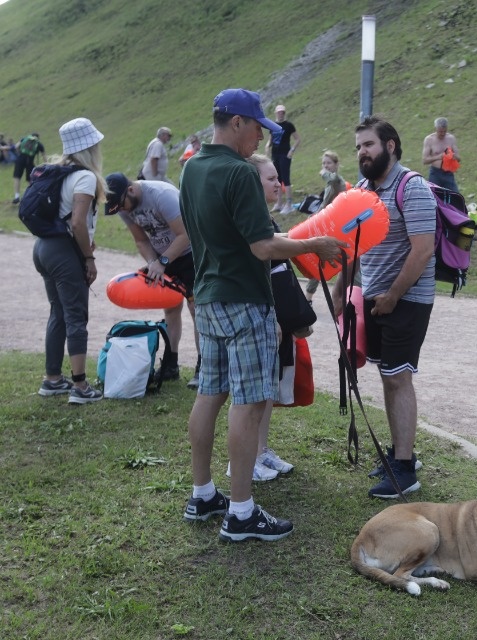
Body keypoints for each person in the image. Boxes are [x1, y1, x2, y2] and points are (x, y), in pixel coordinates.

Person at [179, 88, 346, 542]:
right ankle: (241, 512)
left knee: (209, 393)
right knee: (250, 402)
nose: (262, 138)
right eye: (257, 128)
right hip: (244, 299)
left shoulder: (193, 167)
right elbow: (262, 246)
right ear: (236, 123)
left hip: (208, 296)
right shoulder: (239, 172)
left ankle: (202, 494)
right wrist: (314, 244)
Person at [334, 116, 435, 499]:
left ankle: (404, 469)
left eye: (369, 145)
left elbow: (423, 250)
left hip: (407, 298)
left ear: (390, 146)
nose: (362, 152)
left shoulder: (413, 187)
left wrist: (393, 295)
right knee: (388, 375)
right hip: (375, 297)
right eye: (358, 146)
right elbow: (352, 248)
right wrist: (340, 291)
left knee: (397, 377)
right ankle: (399, 453)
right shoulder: (361, 191)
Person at [229, 152, 311, 482]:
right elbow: (259, 266)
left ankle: (260, 450)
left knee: (267, 390)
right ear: (252, 182)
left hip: (275, 314)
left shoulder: (264, 215)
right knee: (250, 394)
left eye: (278, 177)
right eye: (271, 178)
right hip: (261, 313)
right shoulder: (247, 217)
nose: (278, 183)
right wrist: (273, 316)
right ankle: (241, 462)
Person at [33, 118, 106, 405]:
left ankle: (53, 379)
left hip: (43, 248)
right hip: (64, 252)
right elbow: (77, 222)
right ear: (90, 147)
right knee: (76, 316)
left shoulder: (57, 172)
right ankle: (80, 386)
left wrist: (86, 244)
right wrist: (89, 257)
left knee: (59, 312)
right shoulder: (85, 177)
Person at [104, 172, 201, 388]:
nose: (123, 211)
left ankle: (203, 368)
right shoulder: (123, 206)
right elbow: (141, 240)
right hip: (164, 257)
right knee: (170, 308)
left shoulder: (161, 195)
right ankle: (170, 364)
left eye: (122, 205)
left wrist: (162, 261)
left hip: (192, 254)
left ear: (130, 190)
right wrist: (152, 262)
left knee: (197, 309)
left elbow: (186, 234)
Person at [305, 150, 349, 303]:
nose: (325, 166)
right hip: (329, 226)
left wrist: (324, 173)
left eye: (329, 163)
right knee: (323, 260)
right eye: (323, 163)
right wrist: (315, 215)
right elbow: (326, 205)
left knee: (339, 261)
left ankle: (348, 297)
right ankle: (309, 297)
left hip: (336, 227)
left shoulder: (336, 181)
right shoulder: (331, 183)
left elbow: (333, 179)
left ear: (336, 164)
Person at [264, 104, 300, 214]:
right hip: (275, 155)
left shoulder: (289, 125)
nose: (281, 114)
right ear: (276, 113)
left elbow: (297, 139)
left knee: (286, 178)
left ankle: (289, 204)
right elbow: (271, 139)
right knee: (277, 179)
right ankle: (279, 203)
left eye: (282, 112)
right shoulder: (272, 125)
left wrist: (292, 150)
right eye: (279, 112)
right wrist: (267, 146)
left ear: (284, 113)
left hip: (285, 155)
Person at [421, 117, 460, 193]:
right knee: (433, 196)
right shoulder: (429, 140)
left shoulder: (451, 138)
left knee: (455, 195)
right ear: (435, 129)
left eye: (444, 131)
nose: (442, 134)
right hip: (435, 173)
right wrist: (438, 157)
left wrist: (452, 156)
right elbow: (425, 160)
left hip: (448, 173)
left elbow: (458, 158)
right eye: (440, 131)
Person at [11, 132, 45, 204]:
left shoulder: (24, 139)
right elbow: (44, 157)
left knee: (17, 177)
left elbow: (16, 147)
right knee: (30, 179)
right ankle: (31, 196)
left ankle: (17, 197)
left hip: (20, 159)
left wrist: (19, 153)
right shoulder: (39, 144)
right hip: (30, 161)